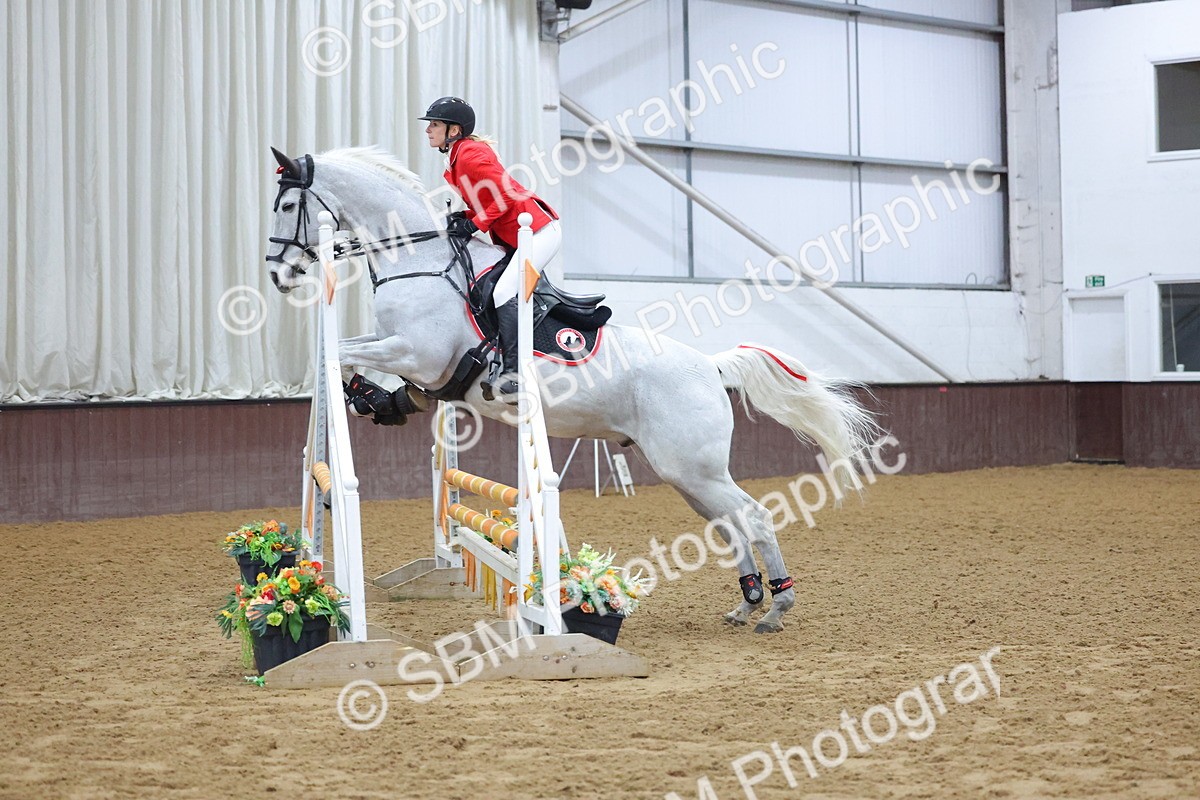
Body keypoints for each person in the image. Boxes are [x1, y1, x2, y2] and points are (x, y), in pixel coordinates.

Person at [420, 96, 561, 399]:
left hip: (538, 231)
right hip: (517, 232)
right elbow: (489, 200)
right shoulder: (459, 157)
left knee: (504, 291)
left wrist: (476, 225)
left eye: (434, 124)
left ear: (454, 130)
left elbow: (506, 196)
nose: (429, 129)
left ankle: (514, 372)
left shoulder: (470, 155)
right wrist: (466, 217)